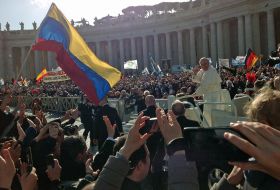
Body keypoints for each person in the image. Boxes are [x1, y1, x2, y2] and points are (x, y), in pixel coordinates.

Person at [192, 57, 223, 126]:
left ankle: (213, 128)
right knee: (207, 114)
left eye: (206, 64)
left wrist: (195, 94)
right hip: (208, 97)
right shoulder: (203, 70)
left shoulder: (211, 71)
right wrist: (194, 73)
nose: (204, 65)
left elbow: (205, 86)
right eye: (202, 65)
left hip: (214, 97)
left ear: (209, 63)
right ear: (200, 65)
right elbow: (197, 80)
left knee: (212, 114)